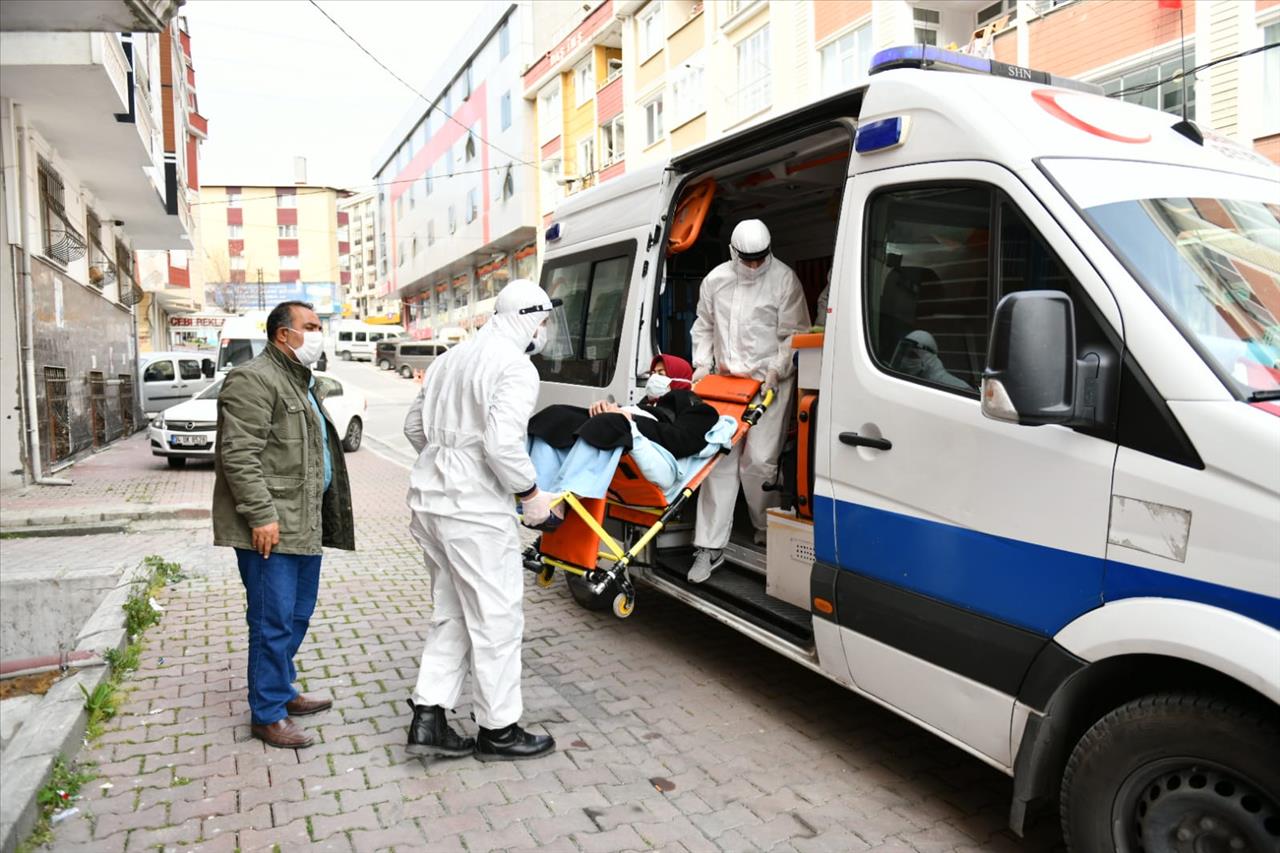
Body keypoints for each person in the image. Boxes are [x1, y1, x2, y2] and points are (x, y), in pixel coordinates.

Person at [402, 278, 564, 761]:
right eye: (544, 321)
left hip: (429, 502)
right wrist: (532, 495)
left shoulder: (451, 358)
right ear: (529, 319)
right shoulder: (515, 367)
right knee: (496, 618)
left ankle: (429, 717)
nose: (545, 331)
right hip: (473, 513)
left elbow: (414, 427)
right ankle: (499, 730)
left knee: (451, 610)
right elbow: (501, 445)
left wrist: (446, 462)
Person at [212, 300, 355, 749]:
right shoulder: (253, 379)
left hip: (303, 522)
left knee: (296, 615)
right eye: (310, 327)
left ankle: (282, 688)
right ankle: (267, 712)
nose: (317, 334)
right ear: (282, 334)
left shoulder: (300, 381)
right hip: (271, 527)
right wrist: (261, 515)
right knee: (271, 620)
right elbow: (239, 455)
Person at [688, 219, 810, 583]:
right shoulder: (715, 281)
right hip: (724, 386)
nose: (755, 266)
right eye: (748, 260)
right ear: (733, 253)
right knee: (718, 462)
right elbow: (704, 326)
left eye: (760, 259)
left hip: (768, 384)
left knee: (759, 463)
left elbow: (795, 334)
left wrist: (776, 371)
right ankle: (708, 547)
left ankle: (765, 530)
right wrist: (700, 366)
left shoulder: (785, 279)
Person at [585, 354, 719, 458]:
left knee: (602, 423)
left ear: (679, 378)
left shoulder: (696, 408)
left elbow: (681, 440)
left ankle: (571, 487)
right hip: (620, 425)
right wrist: (607, 407)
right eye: (653, 374)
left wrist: (631, 417)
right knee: (567, 415)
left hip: (631, 432)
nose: (653, 378)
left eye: (661, 373)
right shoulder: (647, 402)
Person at [891, 330, 972, 391]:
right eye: (902, 354)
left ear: (928, 358)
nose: (904, 360)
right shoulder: (911, 382)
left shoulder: (957, 389)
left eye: (912, 355)